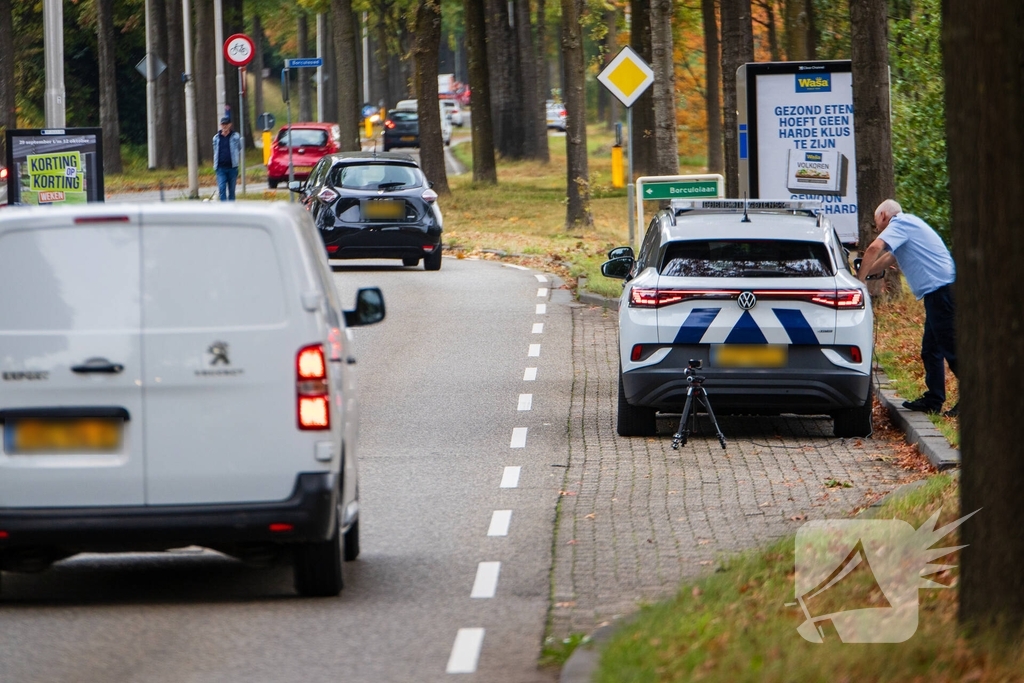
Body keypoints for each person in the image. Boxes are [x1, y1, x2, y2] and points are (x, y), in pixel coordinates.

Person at [858, 199, 958, 417]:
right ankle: (933, 400)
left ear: (884, 215)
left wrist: (860, 280)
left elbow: (874, 248)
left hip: (942, 292)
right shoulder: (908, 225)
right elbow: (890, 257)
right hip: (938, 292)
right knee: (931, 349)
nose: (876, 228)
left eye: (877, 223)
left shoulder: (899, 225)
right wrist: (867, 272)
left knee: (950, 346)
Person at [212, 116, 241, 201]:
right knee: (222, 188)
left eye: (226, 124)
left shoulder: (235, 136)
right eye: (223, 124)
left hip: (232, 167)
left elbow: (239, 147)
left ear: (230, 125)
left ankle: (231, 210)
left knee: (231, 191)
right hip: (220, 168)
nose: (224, 126)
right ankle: (224, 209)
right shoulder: (216, 138)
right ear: (220, 125)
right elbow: (215, 150)